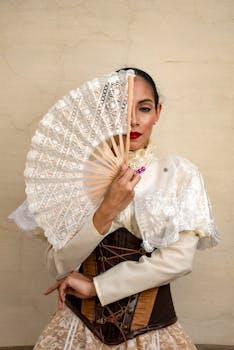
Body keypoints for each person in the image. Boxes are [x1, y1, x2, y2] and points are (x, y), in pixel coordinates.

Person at [11, 68, 219, 349]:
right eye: (119, 109)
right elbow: (57, 265)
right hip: (77, 329)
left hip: (151, 334)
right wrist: (106, 210)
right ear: (103, 117)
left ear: (158, 112)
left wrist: (96, 287)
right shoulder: (72, 179)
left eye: (143, 108)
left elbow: (177, 261)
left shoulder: (178, 174)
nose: (132, 120)